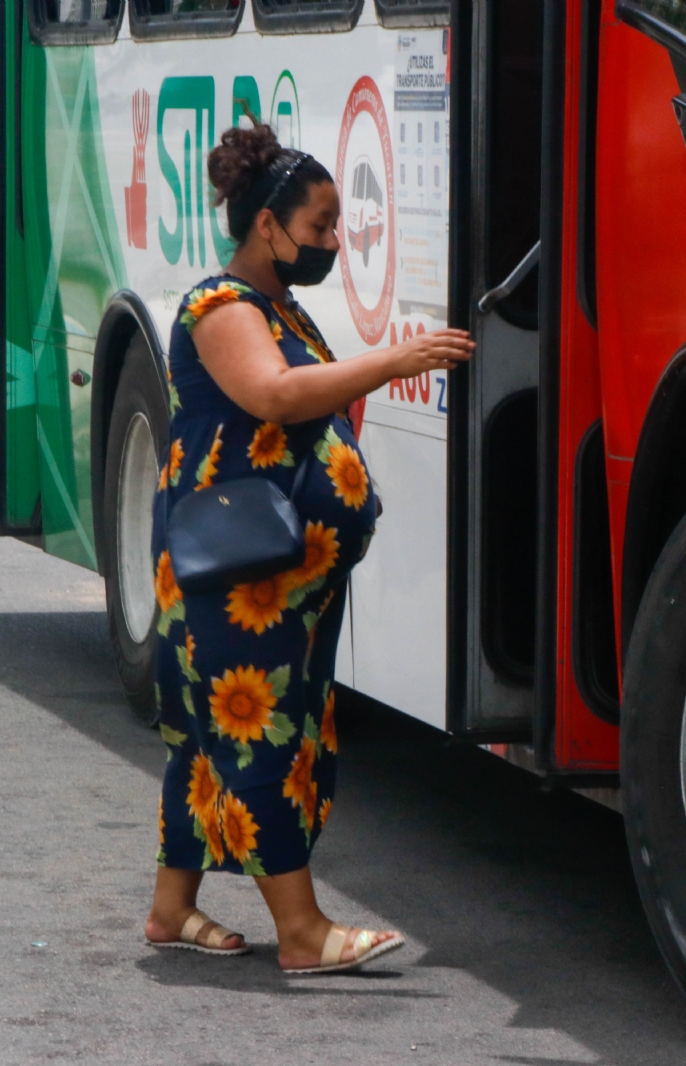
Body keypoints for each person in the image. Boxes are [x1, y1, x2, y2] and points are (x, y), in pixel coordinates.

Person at [143, 124, 474, 974]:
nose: (333, 243)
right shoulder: (220, 308)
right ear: (267, 227)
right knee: (260, 736)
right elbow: (277, 395)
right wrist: (392, 358)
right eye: (321, 227)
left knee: (209, 736)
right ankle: (302, 932)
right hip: (235, 578)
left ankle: (170, 909)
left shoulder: (278, 305)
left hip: (280, 583)